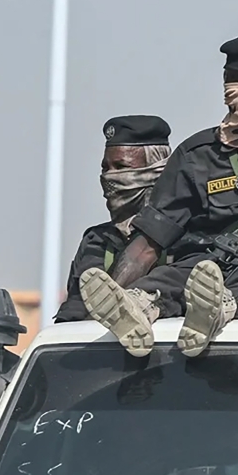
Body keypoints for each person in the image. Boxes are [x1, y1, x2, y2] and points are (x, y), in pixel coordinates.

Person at [80, 31, 238, 358]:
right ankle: (138, 308)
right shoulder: (196, 155)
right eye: (236, 79)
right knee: (172, 276)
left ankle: (218, 309)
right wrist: (113, 298)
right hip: (205, 267)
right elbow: (149, 242)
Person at [55, 115, 172, 323]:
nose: (110, 177)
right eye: (105, 168)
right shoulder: (96, 240)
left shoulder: (184, 237)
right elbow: (74, 313)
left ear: (156, 171)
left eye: (121, 167)